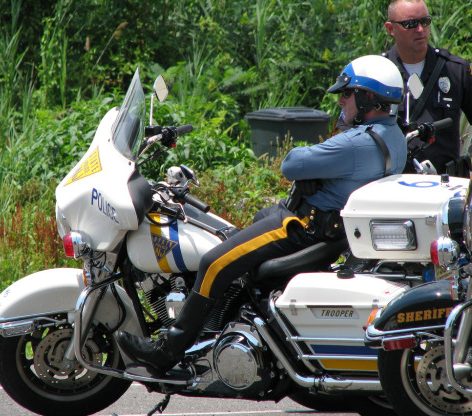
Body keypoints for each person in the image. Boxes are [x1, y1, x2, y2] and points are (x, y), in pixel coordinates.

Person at [117, 55, 407, 376]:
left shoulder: (355, 143)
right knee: (244, 227)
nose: (340, 100)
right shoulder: (391, 135)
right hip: (322, 224)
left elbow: (291, 164)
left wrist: (334, 135)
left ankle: (168, 349)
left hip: (301, 225)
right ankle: (232, 321)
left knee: (213, 263)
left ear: (369, 98)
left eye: (346, 94)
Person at [383, 0, 472, 174]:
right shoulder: (376, 72)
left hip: (445, 187)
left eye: (425, 22)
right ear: (390, 29)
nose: (420, 30)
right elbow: (349, 133)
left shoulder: (455, 71)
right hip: (390, 185)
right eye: (410, 24)